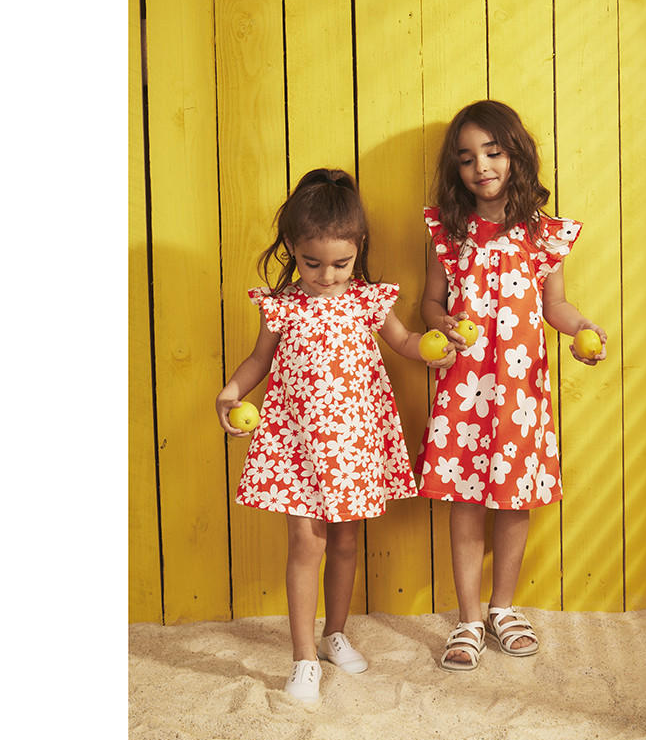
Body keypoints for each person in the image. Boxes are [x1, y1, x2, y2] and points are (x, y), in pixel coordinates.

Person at [216, 168, 455, 703]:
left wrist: (436, 345)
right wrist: (231, 393)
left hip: (351, 443)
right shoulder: (283, 305)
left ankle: (334, 635)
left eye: (340, 263)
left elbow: (407, 342)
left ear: (359, 248)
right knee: (306, 541)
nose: (327, 276)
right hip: (297, 443)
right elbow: (259, 360)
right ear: (292, 251)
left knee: (345, 539)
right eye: (312, 262)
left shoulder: (367, 299)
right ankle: (303, 659)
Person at [415, 101, 607, 671]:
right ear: (457, 169)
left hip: (520, 393)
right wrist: (440, 323)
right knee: (466, 499)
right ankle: (469, 617)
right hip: (465, 385)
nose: (482, 167)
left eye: (493, 153)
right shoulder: (446, 230)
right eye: (468, 158)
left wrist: (581, 330)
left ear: (515, 155)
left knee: (514, 496)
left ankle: (504, 606)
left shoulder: (543, 236)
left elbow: (556, 305)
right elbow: (430, 301)